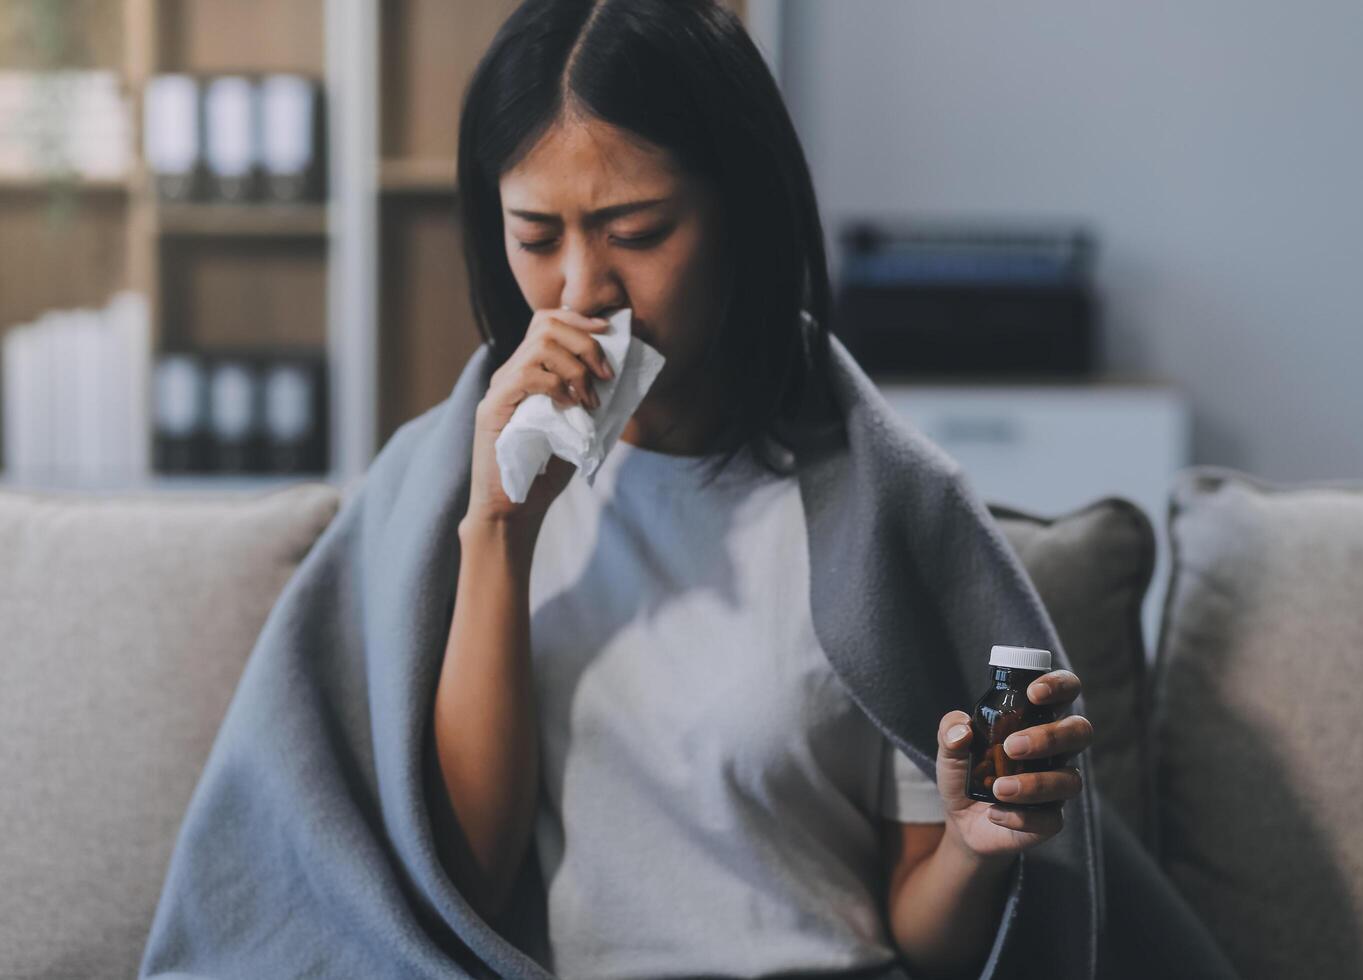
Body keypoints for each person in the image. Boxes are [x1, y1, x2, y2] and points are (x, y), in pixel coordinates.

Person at [428, 1, 1095, 977]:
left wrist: (973, 841)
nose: (581, 292)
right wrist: (497, 529)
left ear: (740, 211)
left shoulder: (879, 509)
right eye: (535, 236)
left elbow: (926, 939)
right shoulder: (463, 477)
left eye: (638, 231)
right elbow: (462, 882)